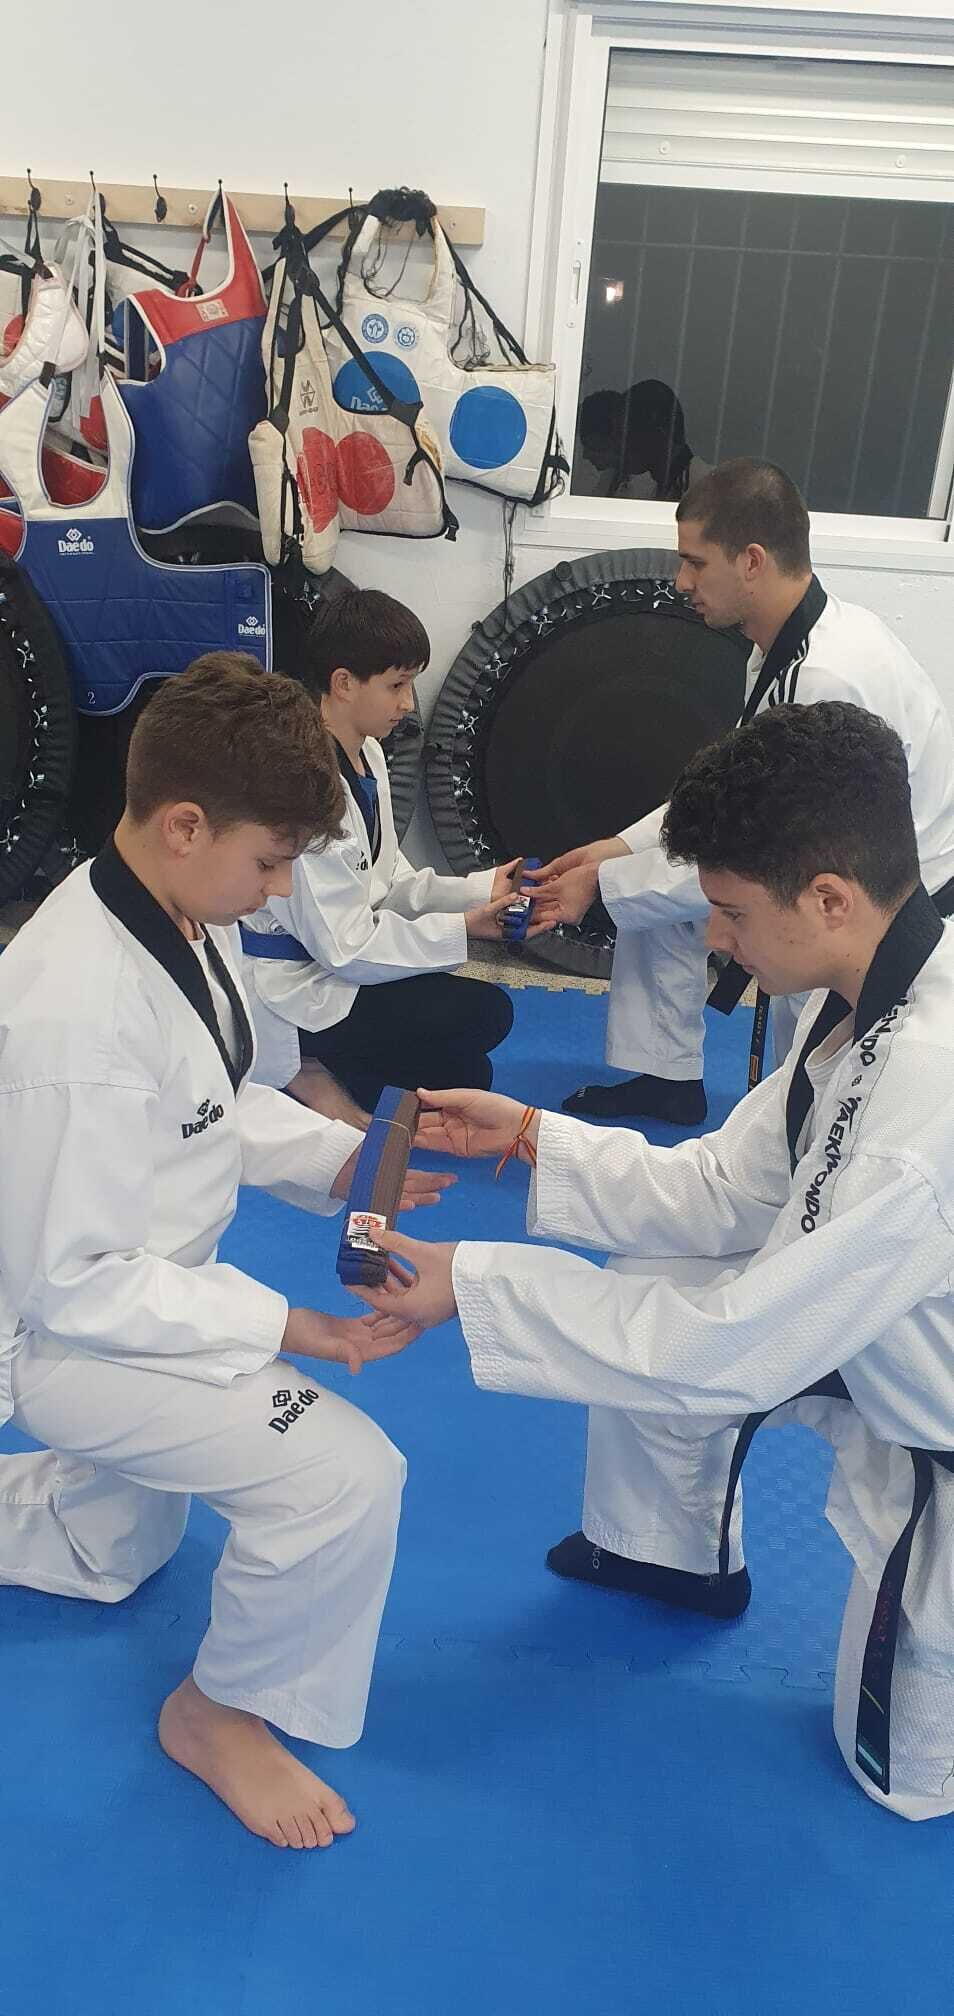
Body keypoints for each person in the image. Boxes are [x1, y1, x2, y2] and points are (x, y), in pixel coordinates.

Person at [355, 703, 954, 1822]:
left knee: (904, 1782)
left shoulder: (926, 1098)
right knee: (656, 1267)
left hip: (933, 1411)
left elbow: (732, 1348)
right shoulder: (875, 992)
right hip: (890, 1329)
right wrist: (531, 1137)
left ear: (829, 898)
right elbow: (726, 1186)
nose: (715, 941)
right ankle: (664, 1553)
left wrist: (470, 1284)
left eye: (732, 913)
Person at [0, 653, 449, 1851]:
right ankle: (218, 1715)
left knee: (115, 1552)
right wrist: (291, 1328)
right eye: (273, 860)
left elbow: (209, 1101)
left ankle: (75, 1523)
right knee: (343, 1478)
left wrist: (345, 1162)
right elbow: (77, 1286)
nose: (283, 887)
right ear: (186, 823)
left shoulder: (175, 911)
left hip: (150, 1290)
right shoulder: (77, 1014)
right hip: (74, 1335)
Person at [533, 459, 954, 1125]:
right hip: (825, 860)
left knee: (800, 1112)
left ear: (752, 561)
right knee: (653, 899)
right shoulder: (784, 644)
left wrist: (602, 888)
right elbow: (732, 794)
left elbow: (765, 852)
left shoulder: (826, 675)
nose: (682, 582)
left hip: (891, 904)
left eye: (695, 563)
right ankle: (666, 1078)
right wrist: (616, 849)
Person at [240, 589, 525, 1124]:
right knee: (486, 1014)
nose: (408, 703)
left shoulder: (368, 753)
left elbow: (387, 882)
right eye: (396, 685)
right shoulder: (303, 781)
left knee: (468, 1073)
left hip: (337, 965)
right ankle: (301, 1065)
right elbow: (344, 948)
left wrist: (481, 890)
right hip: (292, 985)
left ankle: (340, 1066)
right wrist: (464, 929)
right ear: (344, 683)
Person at [576, 381, 709, 502]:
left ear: (656, 435)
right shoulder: (662, 491)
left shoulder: (707, 494)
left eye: (625, 433)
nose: (619, 445)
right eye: (618, 435)